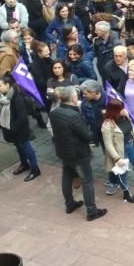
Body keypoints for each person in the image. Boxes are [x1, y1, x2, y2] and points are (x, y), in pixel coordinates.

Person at [49, 86, 107, 221]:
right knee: (87, 181)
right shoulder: (74, 116)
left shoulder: (54, 112)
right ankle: (91, 211)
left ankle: (69, 204)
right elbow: (87, 136)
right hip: (78, 154)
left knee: (67, 177)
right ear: (73, 98)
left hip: (63, 151)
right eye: (77, 95)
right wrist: (94, 130)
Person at [0, 75, 40, 181]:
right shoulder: (2, 97)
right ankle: (24, 164)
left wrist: (13, 128)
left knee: (27, 148)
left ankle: (35, 169)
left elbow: (22, 116)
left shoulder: (16, 97)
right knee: (19, 147)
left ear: (7, 85)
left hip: (19, 129)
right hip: (10, 129)